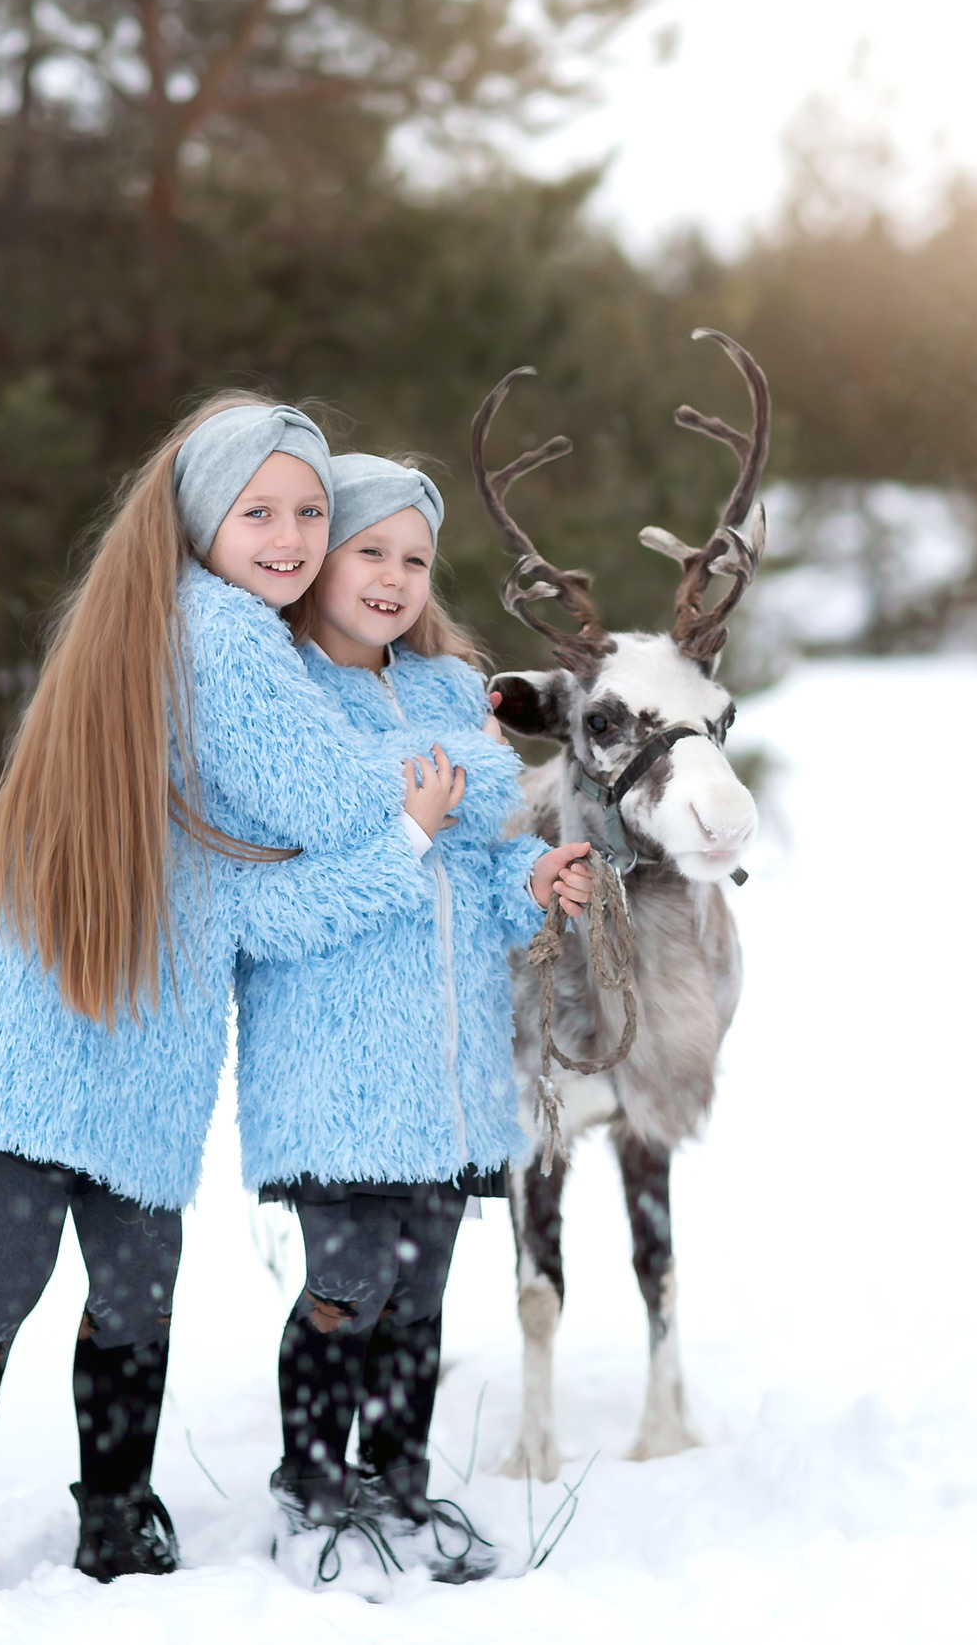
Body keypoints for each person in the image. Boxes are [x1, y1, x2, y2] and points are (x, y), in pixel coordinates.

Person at [0, 403, 464, 1586]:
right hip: (58, 1013)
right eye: (259, 511)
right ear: (204, 521)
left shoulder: (185, 624)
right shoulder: (221, 632)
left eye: (310, 511)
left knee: (112, 1285)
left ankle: (109, 1516)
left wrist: (407, 850)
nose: (291, 535)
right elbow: (317, 795)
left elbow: (250, 906)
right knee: (31, 1282)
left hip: (142, 1016)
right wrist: (455, 770)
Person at [234, 453, 595, 1585]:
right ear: (318, 559)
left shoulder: (445, 695)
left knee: (422, 1289)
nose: (392, 576)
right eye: (367, 550)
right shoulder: (280, 698)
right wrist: (409, 829)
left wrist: (531, 879)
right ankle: (310, 1487)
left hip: (445, 1069)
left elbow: (474, 883)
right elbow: (266, 914)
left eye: (413, 558)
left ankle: (398, 1479)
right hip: (334, 1062)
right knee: (348, 1285)